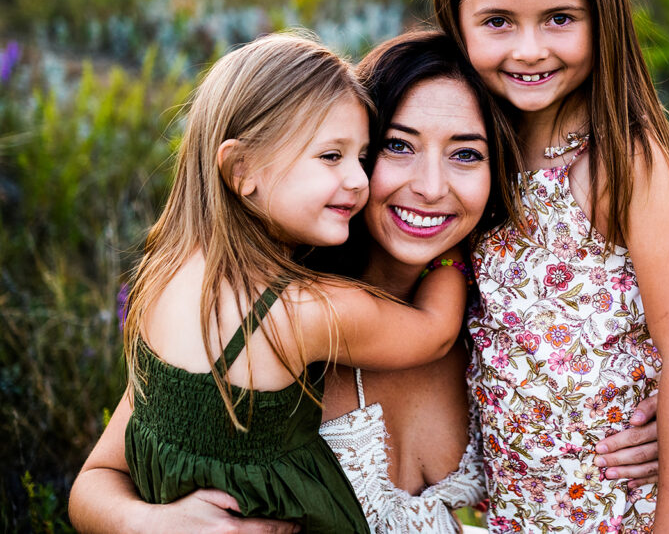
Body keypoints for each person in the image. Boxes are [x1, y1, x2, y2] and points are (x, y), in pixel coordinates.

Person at [69, 31, 662, 534]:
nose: (431, 186)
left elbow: (649, 372)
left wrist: (642, 418)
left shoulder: (516, 320)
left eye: (467, 155)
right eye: (396, 146)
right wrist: (150, 523)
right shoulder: (256, 314)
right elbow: (94, 485)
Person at [79, 31, 473, 533]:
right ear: (242, 170)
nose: (357, 179)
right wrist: (456, 253)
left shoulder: (167, 275)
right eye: (332, 156)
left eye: (363, 155)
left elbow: (101, 477)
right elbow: (434, 330)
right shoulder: (304, 311)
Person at [431, 0, 669, 532]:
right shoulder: (467, 151)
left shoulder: (622, 158)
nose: (529, 50)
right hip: (509, 506)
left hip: (609, 507)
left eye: (559, 18)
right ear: (458, 23)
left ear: (601, 17)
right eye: (498, 22)